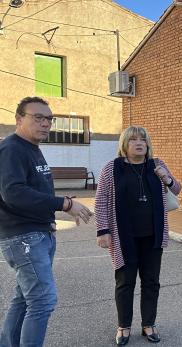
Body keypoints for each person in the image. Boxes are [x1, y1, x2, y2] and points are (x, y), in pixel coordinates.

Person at [0, 96, 92, 347]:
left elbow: (34, 193)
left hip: (38, 233)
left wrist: (52, 214)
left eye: (49, 119)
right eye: (37, 117)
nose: (45, 123)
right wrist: (64, 203)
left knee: (24, 299)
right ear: (19, 119)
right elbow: (14, 193)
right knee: (42, 300)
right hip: (23, 237)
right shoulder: (12, 149)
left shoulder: (31, 149)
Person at [94, 126, 181, 345]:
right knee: (125, 282)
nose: (139, 143)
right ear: (124, 144)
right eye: (133, 139)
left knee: (151, 282)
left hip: (152, 235)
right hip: (124, 236)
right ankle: (123, 326)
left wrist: (167, 179)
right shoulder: (112, 168)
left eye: (143, 139)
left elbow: (177, 189)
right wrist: (103, 230)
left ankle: (148, 324)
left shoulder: (157, 165)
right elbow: (101, 200)